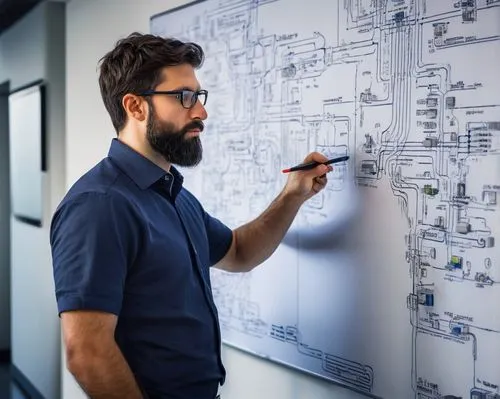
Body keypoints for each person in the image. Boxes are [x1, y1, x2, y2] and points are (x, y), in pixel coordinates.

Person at [50, 32, 332, 399]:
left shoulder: (175, 197)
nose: (200, 111)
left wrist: (293, 193)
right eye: (184, 97)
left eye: (198, 96)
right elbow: (87, 353)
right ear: (136, 107)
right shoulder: (99, 205)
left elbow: (239, 251)